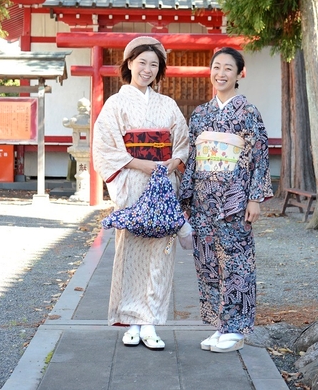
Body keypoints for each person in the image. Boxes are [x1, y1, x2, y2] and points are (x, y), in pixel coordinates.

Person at [92, 36, 189, 350]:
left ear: (160, 70)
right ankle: (131, 320)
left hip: (163, 183)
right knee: (131, 249)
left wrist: (173, 162)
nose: (147, 69)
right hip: (134, 182)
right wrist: (141, 164)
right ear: (129, 63)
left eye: (154, 64)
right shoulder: (115, 104)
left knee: (161, 251)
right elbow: (105, 148)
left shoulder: (168, 105)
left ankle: (151, 322)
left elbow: (183, 144)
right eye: (142, 62)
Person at [180, 47, 273, 353]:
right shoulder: (201, 114)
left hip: (234, 199)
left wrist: (255, 198)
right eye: (216, 67)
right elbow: (193, 158)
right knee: (208, 262)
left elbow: (260, 156)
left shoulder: (247, 112)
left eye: (228, 69)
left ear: (238, 74)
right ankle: (220, 325)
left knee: (237, 263)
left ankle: (237, 328)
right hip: (204, 200)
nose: (221, 73)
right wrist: (186, 198)